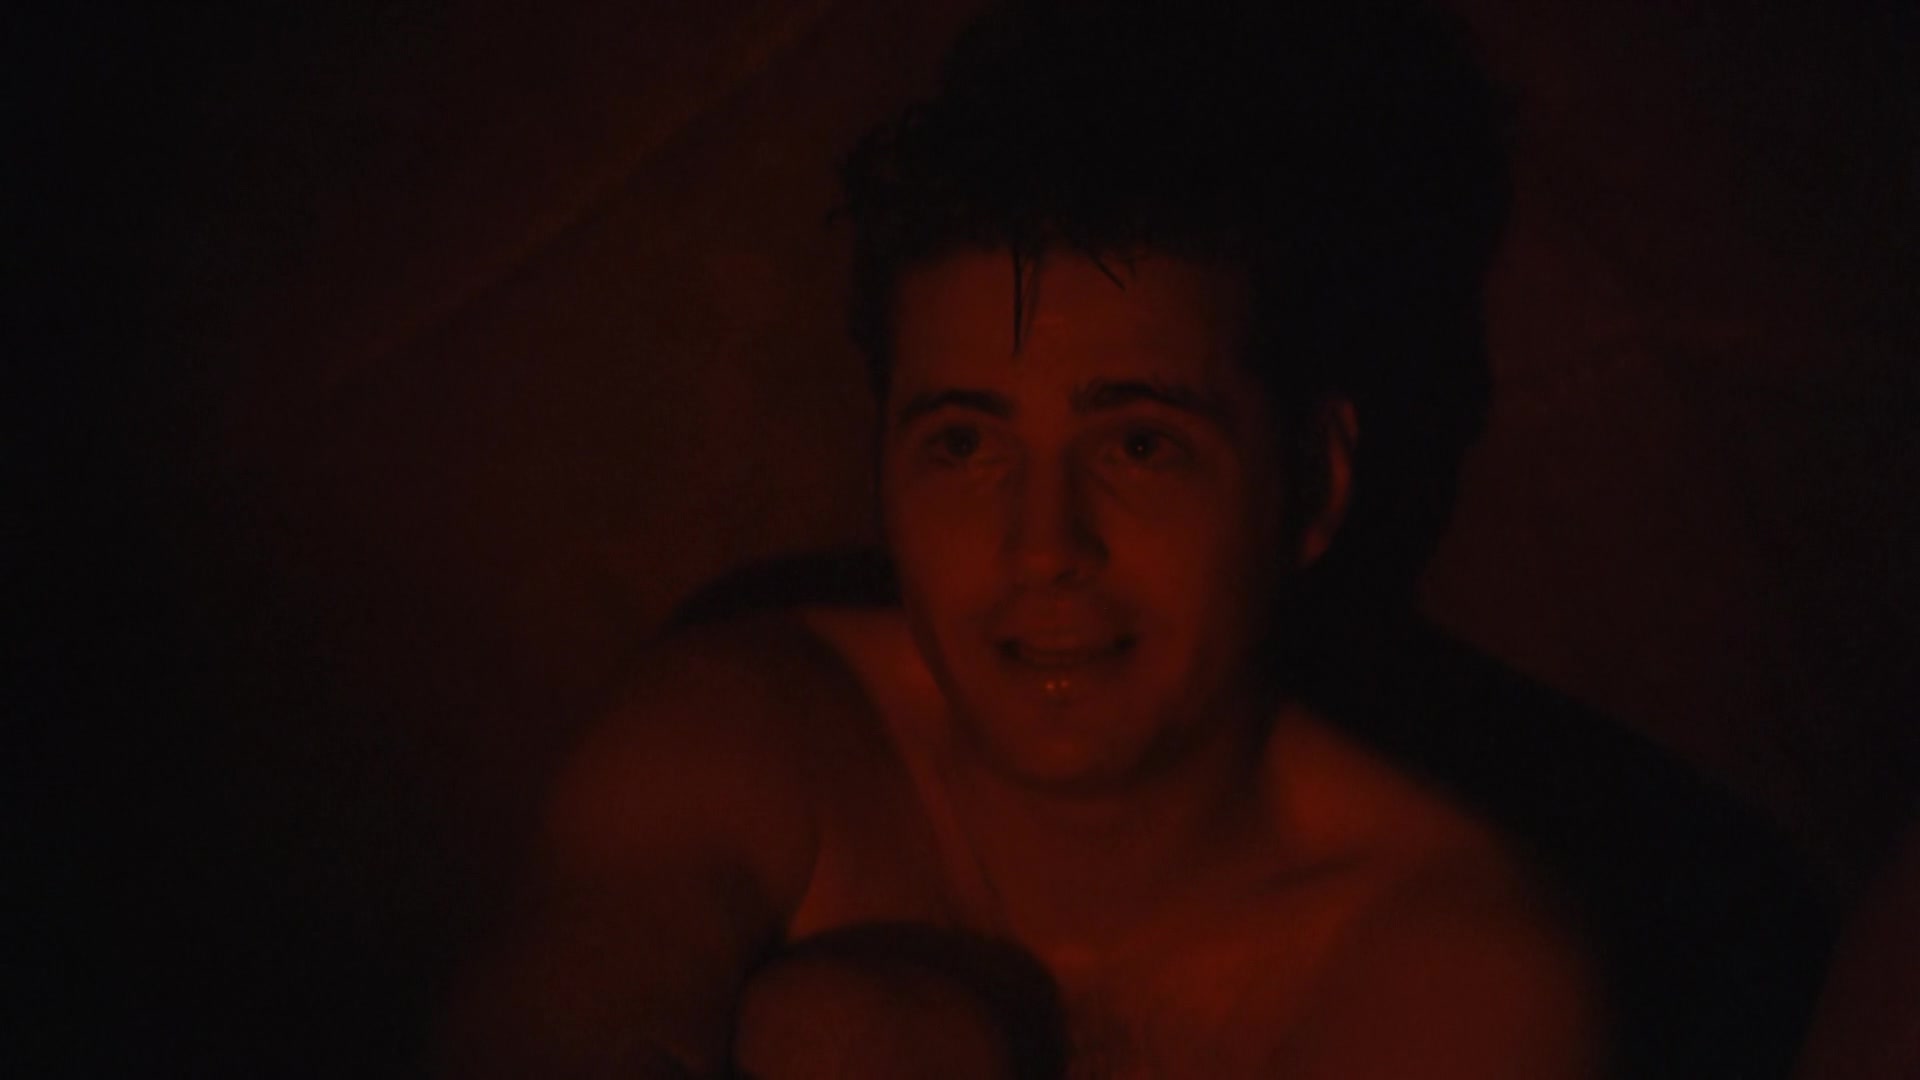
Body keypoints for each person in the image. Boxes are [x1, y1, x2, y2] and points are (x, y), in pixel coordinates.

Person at [443, 2, 1830, 1076]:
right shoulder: (755, 735)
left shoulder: (1448, 969)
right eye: (965, 445)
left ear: (1312, 485)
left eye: (1139, 446)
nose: (1043, 547)